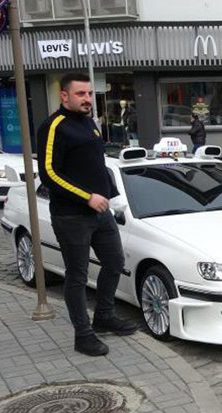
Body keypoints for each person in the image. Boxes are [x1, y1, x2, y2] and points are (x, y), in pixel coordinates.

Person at [37, 73, 138, 357]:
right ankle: (83, 336)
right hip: (71, 216)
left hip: (101, 213)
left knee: (115, 262)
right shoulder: (54, 126)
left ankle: (104, 316)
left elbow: (96, 163)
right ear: (64, 96)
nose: (87, 99)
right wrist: (86, 197)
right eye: (80, 94)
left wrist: (110, 193)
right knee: (77, 276)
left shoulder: (89, 123)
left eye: (90, 94)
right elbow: (49, 173)